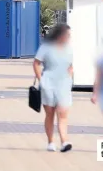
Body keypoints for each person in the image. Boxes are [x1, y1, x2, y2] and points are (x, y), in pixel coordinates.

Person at [32, 23, 73, 152]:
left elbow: (70, 65)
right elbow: (36, 63)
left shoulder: (69, 49)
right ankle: (50, 142)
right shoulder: (46, 47)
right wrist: (41, 79)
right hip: (48, 83)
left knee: (62, 114)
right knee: (50, 114)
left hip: (64, 85)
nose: (68, 37)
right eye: (67, 34)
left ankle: (64, 141)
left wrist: (70, 77)